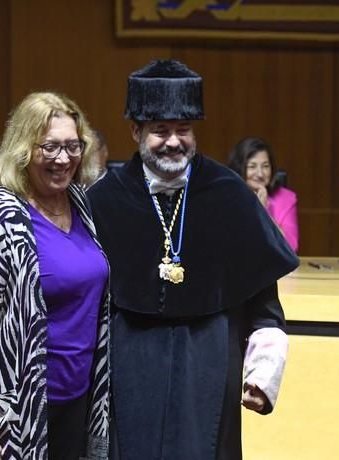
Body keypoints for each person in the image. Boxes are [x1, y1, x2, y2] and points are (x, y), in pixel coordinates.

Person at [87, 59, 299, 460]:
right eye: (160, 131)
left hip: (209, 357)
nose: (173, 142)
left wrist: (262, 371)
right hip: (129, 361)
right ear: (136, 131)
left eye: (183, 130)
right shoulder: (104, 199)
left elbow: (264, 300)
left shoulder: (227, 192)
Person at [0, 92, 110, 460]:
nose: (63, 158)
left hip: (79, 399)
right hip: (18, 411)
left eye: (73, 146)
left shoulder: (80, 203)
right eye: (50, 147)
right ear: (24, 149)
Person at [227, 137, 299, 253]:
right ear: (239, 168)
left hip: (274, 269)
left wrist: (264, 212)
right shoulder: (224, 195)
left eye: (265, 166)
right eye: (252, 166)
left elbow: (290, 248)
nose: (260, 173)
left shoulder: (287, 198)